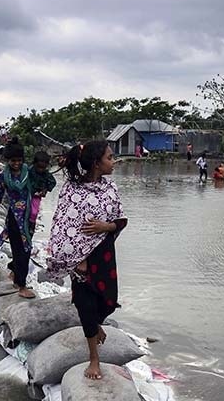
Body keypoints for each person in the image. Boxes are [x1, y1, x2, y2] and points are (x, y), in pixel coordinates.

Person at [46, 141, 127, 380]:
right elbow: (62, 226)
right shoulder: (71, 190)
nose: (113, 162)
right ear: (96, 163)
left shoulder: (110, 188)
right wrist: (77, 259)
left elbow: (121, 220)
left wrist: (106, 226)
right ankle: (94, 358)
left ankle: (96, 324)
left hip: (104, 256)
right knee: (85, 305)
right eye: (110, 158)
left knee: (108, 301)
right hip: (78, 259)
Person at [0, 139, 36, 299]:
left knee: (26, 248)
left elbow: (42, 182)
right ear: (7, 160)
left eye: (19, 160)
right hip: (14, 219)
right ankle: (21, 285)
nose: (16, 164)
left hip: (29, 217)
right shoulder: (3, 176)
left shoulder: (29, 172)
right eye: (13, 161)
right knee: (21, 250)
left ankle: (14, 270)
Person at [27, 151, 57, 237]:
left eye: (43, 168)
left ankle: (31, 228)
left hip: (36, 196)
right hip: (26, 194)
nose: (41, 170)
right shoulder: (29, 171)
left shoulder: (46, 174)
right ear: (34, 163)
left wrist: (45, 189)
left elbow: (53, 182)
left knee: (34, 213)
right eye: (39, 167)